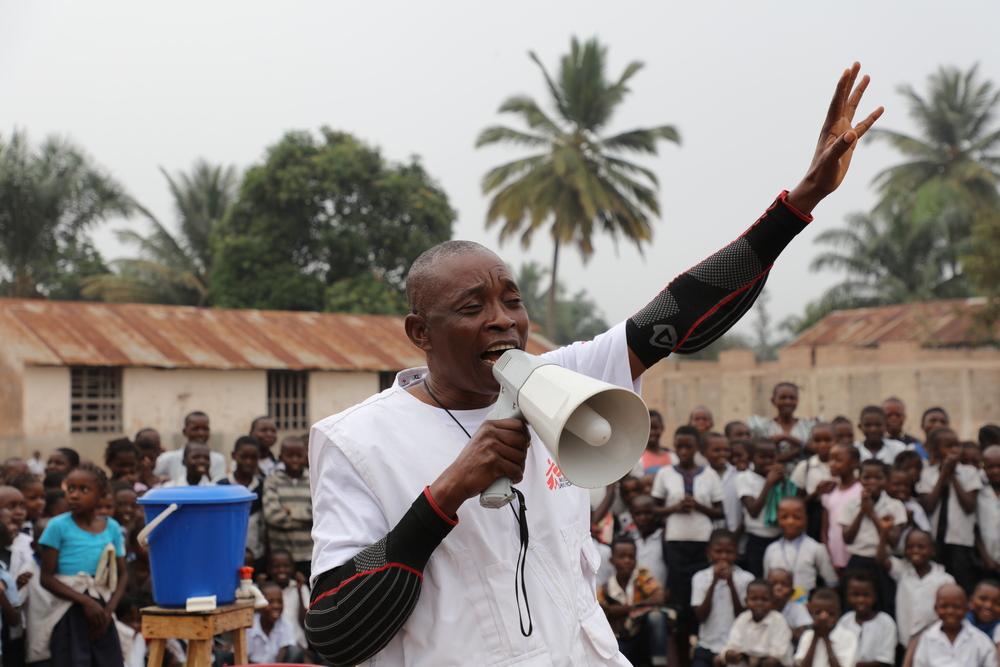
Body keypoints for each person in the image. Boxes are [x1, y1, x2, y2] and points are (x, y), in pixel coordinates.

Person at [304, 62, 884, 666]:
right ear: (420, 333)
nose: (503, 319)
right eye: (472, 306)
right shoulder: (356, 442)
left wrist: (800, 204)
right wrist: (448, 492)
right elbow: (334, 633)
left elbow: (681, 312)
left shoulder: (560, 380)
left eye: (512, 298)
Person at [38, 463, 127, 665]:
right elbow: (46, 578)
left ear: (101, 494)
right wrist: (85, 602)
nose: (74, 495)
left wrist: (108, 610)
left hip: (102, 609)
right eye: (71, 489)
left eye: (83, 490)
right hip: (69, 608)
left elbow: (123, 574)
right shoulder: (57, 526)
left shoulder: (111, 527)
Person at [916, 426, 981, 592]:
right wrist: (943, 475)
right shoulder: (927, 474)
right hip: (935, 542)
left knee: (963, 585)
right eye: (949, 446)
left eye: (957, 445)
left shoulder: (970, 473)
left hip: (961, 542)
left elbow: (969, 506)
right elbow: (929, 506)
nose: (955, 450)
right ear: (936, 450)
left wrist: (953, 477)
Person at [839, 460, 905, 612]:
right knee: (853, 608)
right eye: (867, 478)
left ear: (886, 480)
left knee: (885, 605)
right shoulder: (850, 505)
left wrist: (872, 514)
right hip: (857, 562)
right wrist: (862, 512)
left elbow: (893, 541)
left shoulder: (895, 506)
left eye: (878, 478)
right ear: (859, 479)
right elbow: (847, 538)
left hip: (883, 564)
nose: (872, 482)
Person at [875, 528, 954, 652]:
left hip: (933, 644)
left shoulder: (944, 579)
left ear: (932, 550)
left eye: (921, 547)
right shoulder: (902, 570)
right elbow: (881, 559)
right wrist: (884, 533)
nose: (915, 551)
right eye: (910, 547)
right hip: (905, 642)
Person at [597, 536, 669, 667]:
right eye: (622, 557)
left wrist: (624, 609)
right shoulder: (605, 588)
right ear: (612, 560)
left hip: (642, 637)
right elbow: (604, 611)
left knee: (656, 617)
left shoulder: (641, 576)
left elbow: (659, 597)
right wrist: (637, 608)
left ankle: (660, 663)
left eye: (631, 557)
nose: (627, 561)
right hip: (620, 640)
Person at [691, 530, 756, 667]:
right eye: (718, 552)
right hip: (707, 646)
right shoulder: (700, 578)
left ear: (736, 553)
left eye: (729, 552)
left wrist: (731, 584)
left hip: (736, 648)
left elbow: (743, 615)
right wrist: (714, 582)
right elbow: (700, 616)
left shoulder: (746, 579)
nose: (723, 557)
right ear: (709, 553)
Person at [763, 497, 836, 601]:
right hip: (778, 605)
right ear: (778, 519)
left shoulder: (816, 548)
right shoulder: (771, 550)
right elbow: (767, 583)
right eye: (784, 517)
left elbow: (831, 583)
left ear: (806, 519)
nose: (790, 522)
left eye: (797, 517)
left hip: (806, 606)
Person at [910, 584, 996, 667]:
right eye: (944, 606)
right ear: (936, 608)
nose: (950, 611)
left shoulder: (981, 641)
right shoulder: (927, 639)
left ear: (967, 608)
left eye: (957, 606)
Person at [263, 436, 312, 578]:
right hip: (280, 557)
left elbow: (318, 514)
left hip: (309, 554)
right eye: (290, 456)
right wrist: (305, 520)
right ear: (280, 457)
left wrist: (290, 511)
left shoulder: (313, 479)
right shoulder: (272, 481)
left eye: (299, 455)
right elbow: (272, 516)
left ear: (306, 456)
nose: (295, 460)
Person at [737, 439, 785, 576]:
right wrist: (768, 484)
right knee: (757, 576)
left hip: (779, 537)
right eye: (762, 457)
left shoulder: (778, 478)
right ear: (751, 458)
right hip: (756, 539)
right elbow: (753, 511)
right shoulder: (744, 478)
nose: (768, 461)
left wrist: (781, 482)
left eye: (771, 457)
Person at [718, 579, 791, 667]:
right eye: (754, 599)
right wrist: (729, 653)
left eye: (764, 599)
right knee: (719, 660)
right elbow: (733, 644)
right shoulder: (743, 618)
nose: (759, 603)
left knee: (771, 663)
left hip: (770, 663)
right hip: (746, 660)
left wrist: (754, 659)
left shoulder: (778, 620)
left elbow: (777, 653)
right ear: (746, 601)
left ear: (772, 601)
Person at [218, 436, 266, 564]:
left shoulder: (263, 486)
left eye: (253, 458)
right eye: (243, 457)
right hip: (225, 554)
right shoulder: (220, 486)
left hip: (257, 556)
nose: (248, 462)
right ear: (234, 456)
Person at [748, 382, 816, 469]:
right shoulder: (763, 426)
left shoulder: (808, 426)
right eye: (782, 398)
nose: (787, 401)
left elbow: (816, 450)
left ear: (797, 400)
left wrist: (787, 437)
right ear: (773, 400)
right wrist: (800, 449)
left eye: (792, 398)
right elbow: (758, 452)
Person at [835, 571, 895, 667]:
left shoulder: (886, 622)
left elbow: (885, 661)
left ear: (875, 596)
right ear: (847, 596)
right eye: (855, 595)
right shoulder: (845, 621)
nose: (861, 600)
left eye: (866, 595)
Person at [791, 422, 836, 540]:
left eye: (828, 440)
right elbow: (798, 502)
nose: (823, 444)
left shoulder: (843, 466)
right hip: (814, 519)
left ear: (836, 441)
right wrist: (816, 493)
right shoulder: (805, 467)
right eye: (817, 440)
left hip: (837, 517)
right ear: (811, 443)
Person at [820, 443, 861, 570]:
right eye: (830, 459)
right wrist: (829, 557)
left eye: (838, 460)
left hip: (855, 557)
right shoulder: (829, 491)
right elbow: (825, 529)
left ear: (854, 463)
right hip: (833, 558)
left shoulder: (861, 491)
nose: (832, 464)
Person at [153, 411, 227, 481]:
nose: (201, 433)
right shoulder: (168, 458)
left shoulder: (218, 459)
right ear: (185, 432)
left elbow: (219, 486)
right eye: (195, 429)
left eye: (205, 429)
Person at [793, 588, 857, 667]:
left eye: (831, 614)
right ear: (811, 613)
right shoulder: (808, 636)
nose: (823, 617)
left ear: (839, 613)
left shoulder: (848, 637)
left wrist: (826, 638)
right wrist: (815, 637)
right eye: (818, 613)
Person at [267, 549, 310, 654]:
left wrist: (299, 590)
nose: (282, 570)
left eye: (286, 566)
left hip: (297, 645)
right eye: (276, 567)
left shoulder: (301, 588)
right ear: (268, 569)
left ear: (293, 568)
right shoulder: (265, 590)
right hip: (272, 648)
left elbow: (305, 622)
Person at [247, 581, 300, 664]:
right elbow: (244, 658)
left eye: (280, 602)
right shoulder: (249, 626)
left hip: (276, 665)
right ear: (259, 604)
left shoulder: (285, 624)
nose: (276, 606)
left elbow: (283, 655)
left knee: (295, 651)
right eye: (270, 602)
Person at [886, 467, 929, 555]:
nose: (902, 489)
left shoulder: (914, 507)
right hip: (886, 557)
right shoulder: (884, 505)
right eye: (897, 484)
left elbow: (926, 534)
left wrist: (912, 521)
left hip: (908, 557)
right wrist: (903, 521)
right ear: (886, 484)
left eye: (906, 485)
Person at [628, 495, 667, 589]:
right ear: (632, 516)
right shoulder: (628, 539)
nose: (643, 518)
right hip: (634, 597)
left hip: (659, 596)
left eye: (648, 513)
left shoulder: (663, 537)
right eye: (638, 514)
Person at [704, 433, 740, 532]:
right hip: (707, 531)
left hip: (735, 531)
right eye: (717, 450)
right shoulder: (701, 475)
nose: (722, 454)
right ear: (704, 452)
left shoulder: (738, 474)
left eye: (726, 450)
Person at [767, 568, 811, 642]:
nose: (779, 588)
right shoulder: (761, 607)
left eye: (784, 584)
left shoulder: (798, 608)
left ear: (792, 591)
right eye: (773, 584)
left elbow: (804, 634)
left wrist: (781, 629)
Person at [976, 445, 1000, 577]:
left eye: (999, 466)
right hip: (986, 563)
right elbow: (975, 528)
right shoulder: (979, 492)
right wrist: (986, 558)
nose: (996, 471)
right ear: (983, 468)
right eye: (991, 467)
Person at [10, 473, 46, 539]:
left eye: (42, 497)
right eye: (33, 498)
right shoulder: (9, 530)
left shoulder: (42, 527)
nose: (40, 502)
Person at [640, 410, 672, 475]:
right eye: (648, 428)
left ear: (662, 428)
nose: (651, 432)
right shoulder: (638, 458)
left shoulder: (672, 457)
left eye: (655, 428)